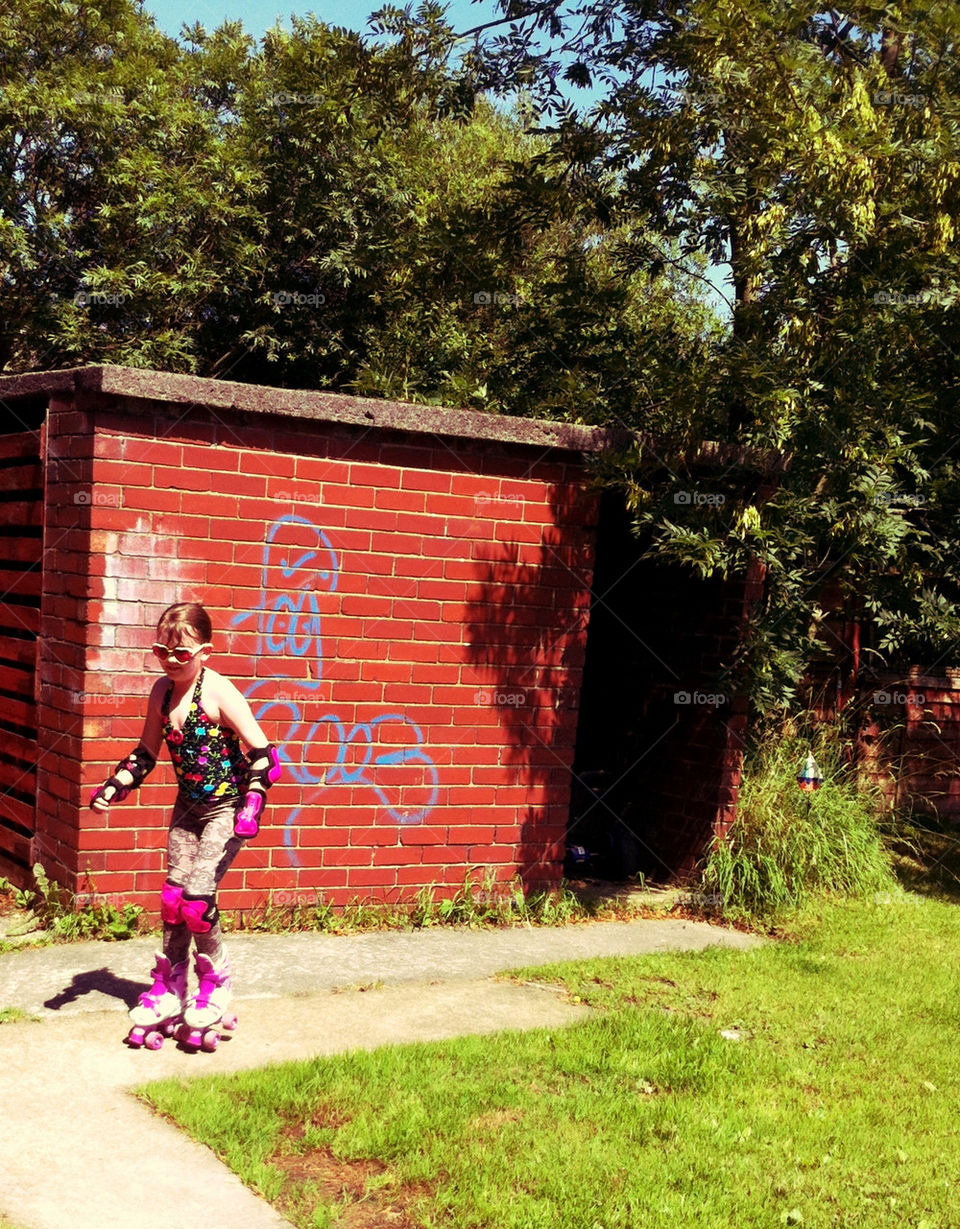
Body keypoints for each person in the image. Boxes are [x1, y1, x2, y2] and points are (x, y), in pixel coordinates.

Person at [90, 601, 280, 1048]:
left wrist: (252, 802)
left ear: (205, 652)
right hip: (187, 810)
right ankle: (170, 988)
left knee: (197, 900)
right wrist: (115, 785)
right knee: (173, 901)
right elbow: (145, 753)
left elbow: (264, 756)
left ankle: (215, 984)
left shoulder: (219, 692)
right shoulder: (162, 692)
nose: (171, 661)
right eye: (162, 651)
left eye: (182, 654)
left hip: (226, 808)